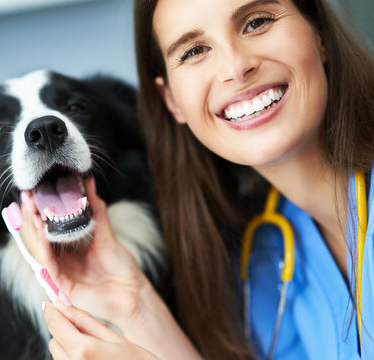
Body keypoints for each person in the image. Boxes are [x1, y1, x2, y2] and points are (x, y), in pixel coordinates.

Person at [19, 0, 374, 358]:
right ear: (171, 100)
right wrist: (134, 303)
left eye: (257, 22)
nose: (236, 67)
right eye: (194, 51)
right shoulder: (266, 253)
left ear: (321, 35)